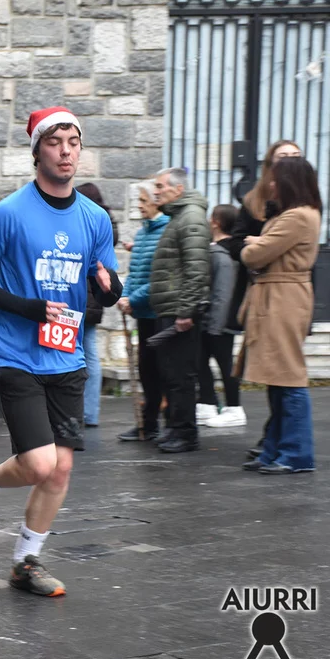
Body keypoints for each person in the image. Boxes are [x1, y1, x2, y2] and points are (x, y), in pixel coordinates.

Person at [0, 107, 121, 597]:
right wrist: (25, 307)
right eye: (55, 142)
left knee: (60, 468)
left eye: (73, 142)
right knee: (40, 464)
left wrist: (109, 287)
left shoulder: (95, 218)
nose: (66, 151)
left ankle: (26, 563)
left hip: (67, 354)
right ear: (37, 151)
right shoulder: (9, 213)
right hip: (16, 353)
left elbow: (109, 285)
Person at [219, 140, 303, 458]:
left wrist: (262, 244)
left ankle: (279, 440)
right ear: (269, 163)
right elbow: (236, 243)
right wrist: (253, 247)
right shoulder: (255, 199)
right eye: (283, 156)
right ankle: (274, 439)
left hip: (288, 294)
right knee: (271, 372)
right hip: (259, 290)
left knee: (285, 373)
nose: (290, 161)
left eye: (295, 156)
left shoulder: (303, 205)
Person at [238, 157, 319, 475]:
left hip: (283, 298)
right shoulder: (295, 214)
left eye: (276, 179)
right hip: (278, 296)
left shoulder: (297, 216)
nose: (271, 184)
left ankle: (296, 453)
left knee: (288, 376)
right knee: (278, 378)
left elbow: (254, 254)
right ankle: (275, 450)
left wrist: (255, 244)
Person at [147, 167, 211, 453]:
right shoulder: (179, 217)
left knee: (181, 375)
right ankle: (175, 427)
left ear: (178, 189)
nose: (156, 191)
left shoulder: (191, 218)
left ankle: (186, 433)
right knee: (171, 373)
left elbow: (196, 270)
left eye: (161, 186)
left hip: (179, 311)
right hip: (171, 308)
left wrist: (186, 311)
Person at [117, 183, 170, 442]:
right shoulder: (141, 234)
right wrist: (125, 296)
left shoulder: (166, 233)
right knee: (146, 370)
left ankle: (166, 423)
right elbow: (135, 272)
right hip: (144, 313)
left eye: (143, 200)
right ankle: (149, 424)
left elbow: (159, 278)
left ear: (157, 202)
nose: (138, 205)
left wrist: (133, 299)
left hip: (160, 312)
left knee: (162, 370)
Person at [74, 183, 118, 427]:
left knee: (78, 353)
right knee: (89, 354)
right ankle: (89, 411)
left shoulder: (86, 222)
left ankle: (81, 410)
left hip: (80, 296)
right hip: (93, 299)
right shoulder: (106, 224)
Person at [199, 205, 245, 428]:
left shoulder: (224, 253)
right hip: (212, 319)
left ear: (216, 222)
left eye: (211, 218)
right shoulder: (219, 250)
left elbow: (223, 292)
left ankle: (234, 408)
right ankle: (207, 404)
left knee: (225, 365)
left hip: (221, 321)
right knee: (201, 361)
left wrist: (215, 324)